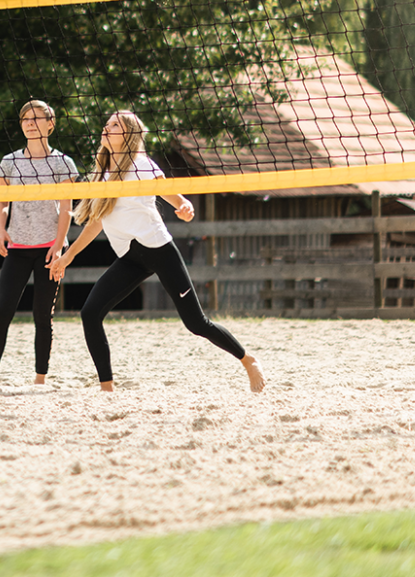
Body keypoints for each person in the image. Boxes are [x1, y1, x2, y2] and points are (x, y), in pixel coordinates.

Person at [47, 110, 265, 393]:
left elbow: (168, 192)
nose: (107, 126)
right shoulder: (103, 174)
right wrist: (68, 256)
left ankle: (248, 361)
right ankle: (107, 388)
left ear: (127, 135)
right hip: (130, 256)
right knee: (90, 313)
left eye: (114, 124)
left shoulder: (141, 164)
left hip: (159, 250)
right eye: (108, 123)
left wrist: (183, 205)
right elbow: (97, 222)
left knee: (196, 323)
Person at [0, 99, 79, 386]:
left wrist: (59, 244)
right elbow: (1, 202)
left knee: (42, 315)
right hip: (18, 247)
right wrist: (0, 230)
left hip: (49, 247)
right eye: (25, 118)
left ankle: (40, 379)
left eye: (36, 118)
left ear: (51, 124)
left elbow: (67, 207)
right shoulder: (10, 162)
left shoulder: (63, 163)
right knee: (3, 310)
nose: (29, 122)